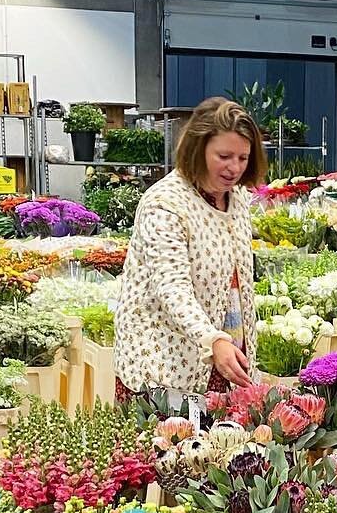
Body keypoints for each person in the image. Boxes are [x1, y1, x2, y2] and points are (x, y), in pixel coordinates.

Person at [113, 96, 265, 399]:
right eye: (224, 156)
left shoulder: (237, 198)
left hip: (223, 361)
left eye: (243, 158)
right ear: (198, 149)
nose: (234, 167)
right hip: (164, 364)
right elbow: (172, 287)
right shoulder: (166, 204)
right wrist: (212, 340)